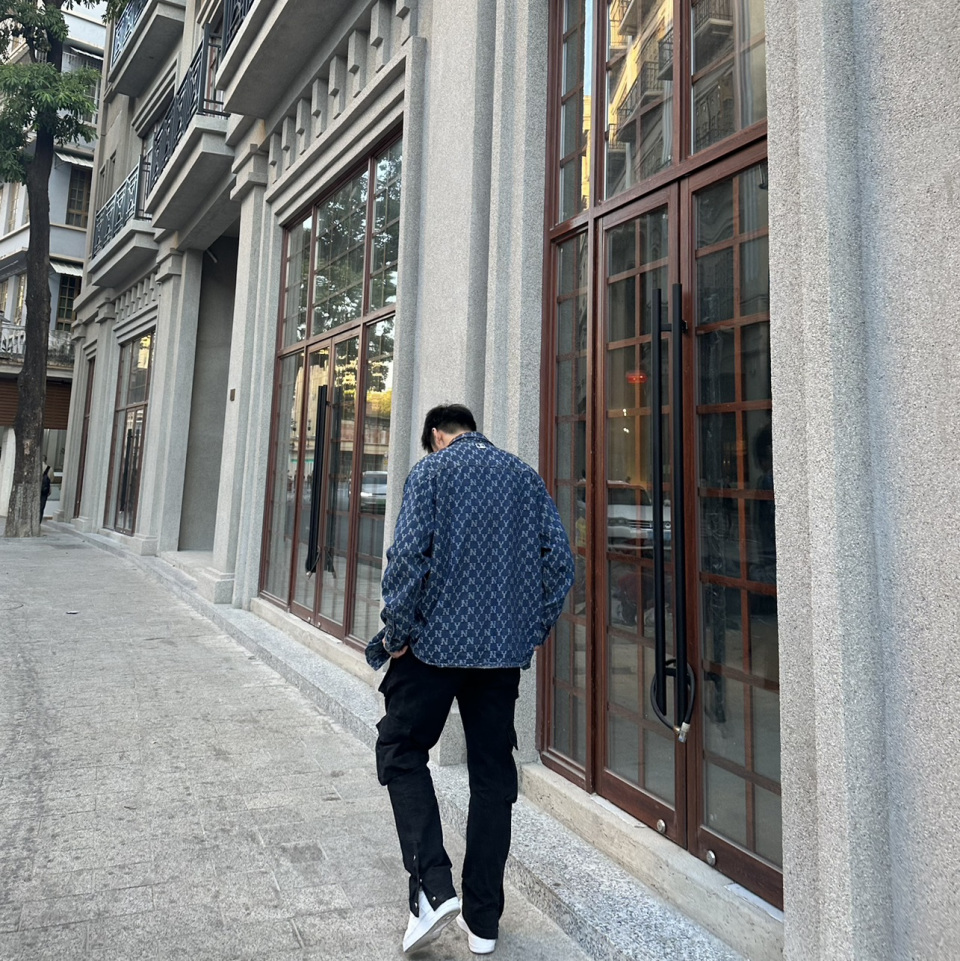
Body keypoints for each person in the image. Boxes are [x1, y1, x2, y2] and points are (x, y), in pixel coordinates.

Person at [366, 404, 575, 956]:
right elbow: (561, 565)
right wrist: (528, 629)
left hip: (432, 649)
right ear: (471, 430)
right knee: (491, 779)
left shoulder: (431, 473)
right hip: (499, 658)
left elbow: (406, 559)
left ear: (437, 435)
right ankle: (483, 922)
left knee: (400, 749)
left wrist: (396, 633)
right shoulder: (523, 477)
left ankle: (433, 887)